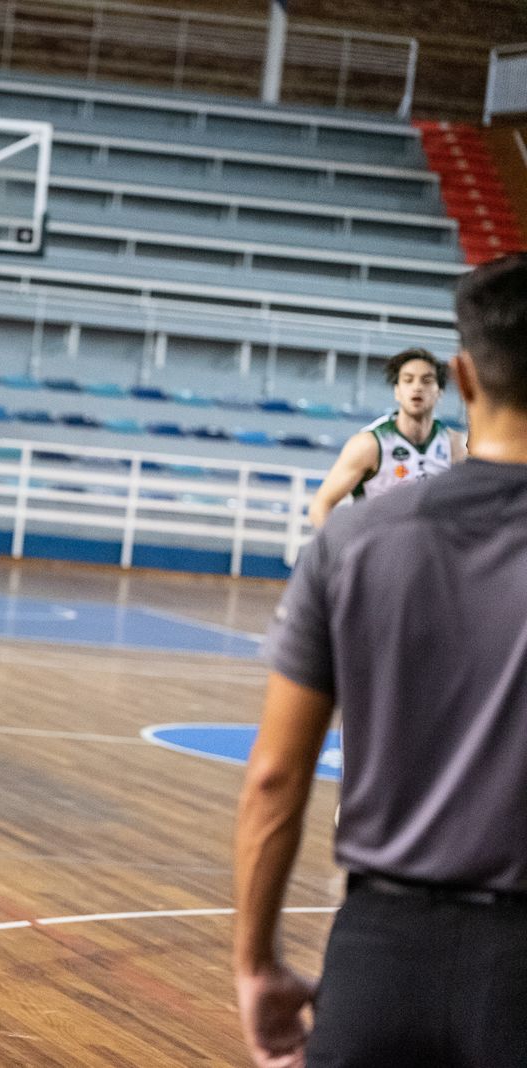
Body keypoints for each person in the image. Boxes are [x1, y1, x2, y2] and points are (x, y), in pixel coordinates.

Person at [233, 253, 527, 1068]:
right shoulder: (368, 465)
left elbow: (274, 779)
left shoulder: (353, 545)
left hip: (379, 953)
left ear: (462, 376)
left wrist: (255, 964)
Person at [307, 347, 468, 527]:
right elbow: (319, 507)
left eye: (427, 380)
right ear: (397, 391)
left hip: (430, 550)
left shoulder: (455, 445)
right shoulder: (369, 444)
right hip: (377, 548)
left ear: (439, 392)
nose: (417, 387)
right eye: (408, 380)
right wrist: (341, 552)